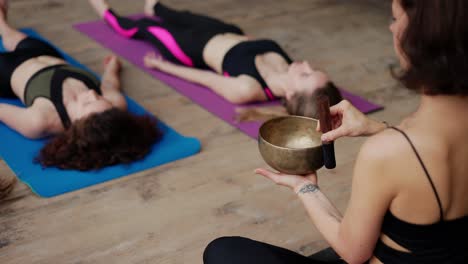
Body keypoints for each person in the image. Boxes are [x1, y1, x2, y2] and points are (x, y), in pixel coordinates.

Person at [204, 0, 468, 263]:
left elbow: (353, 253)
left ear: (419, 38)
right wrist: (377, 128)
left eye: (396, 19)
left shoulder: (387, 153)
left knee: (224, 252)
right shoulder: (401, 146)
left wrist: (304, 188)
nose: (391, 28)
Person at [88, 0, 343, 120]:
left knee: (136, 26)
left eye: (306, 74)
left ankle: (99, 5)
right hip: (224, 29)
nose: (306, 64)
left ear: (289, 94)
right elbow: (253, 42)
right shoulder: (289, 67)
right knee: (163, 10)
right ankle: (154, 8)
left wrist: (163, 66)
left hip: (189, 48)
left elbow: (206, 78)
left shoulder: (248, 88)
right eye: (313, 68)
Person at [0, 0, 162, 177]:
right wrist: (112, 68)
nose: (92, 93)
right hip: (44, 54)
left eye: (87, 103)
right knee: (7, 31)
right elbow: (108, 84)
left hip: (7, 70)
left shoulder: (41, 121)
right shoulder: (115, 106)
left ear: (76, 128)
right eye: (100, 98)